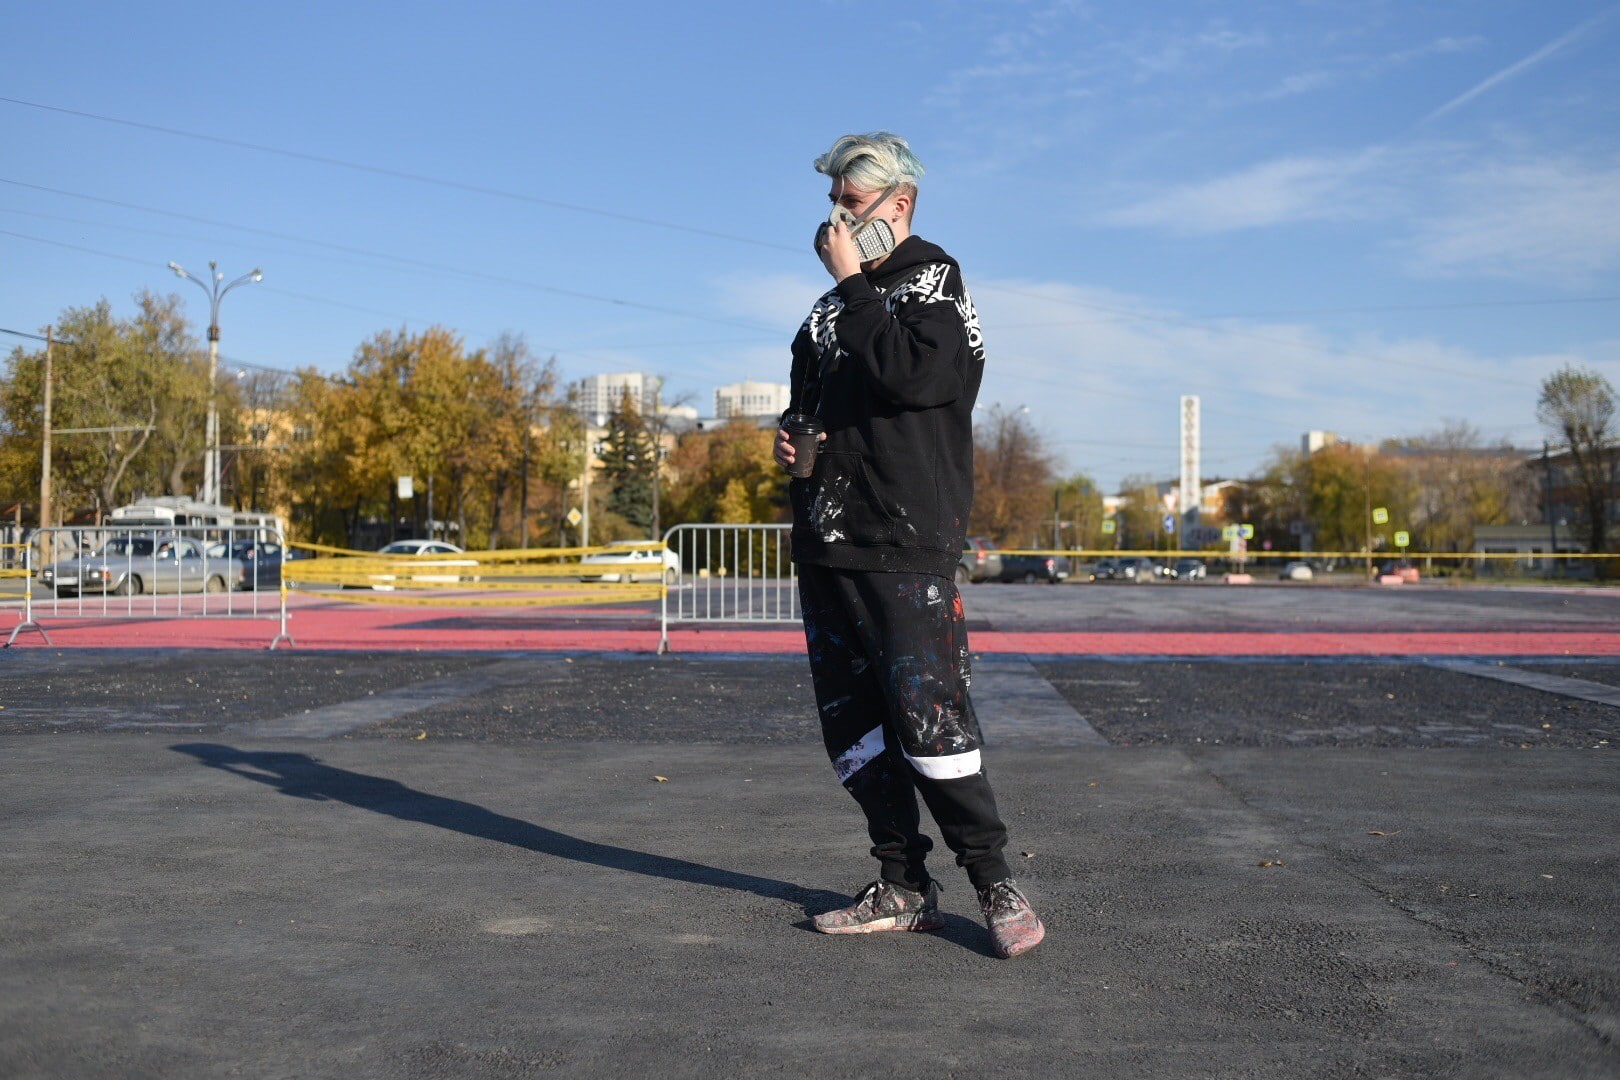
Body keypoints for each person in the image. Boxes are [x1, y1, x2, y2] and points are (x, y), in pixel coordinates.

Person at [775, 132, 1044, 959]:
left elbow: (917, 379)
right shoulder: (827, 309)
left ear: (899, 205)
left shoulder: (934, 282)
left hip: (904, 536)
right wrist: (792, 434)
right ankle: (900, 884)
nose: (836, 219)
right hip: (827, 539)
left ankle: (994, 882)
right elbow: (810, 397)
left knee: (931, 720)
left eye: (851, 204)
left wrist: (854, 285)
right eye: (832, 203)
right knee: (853, 728)